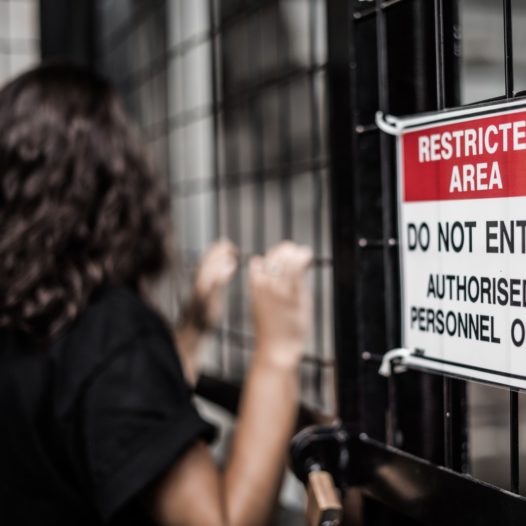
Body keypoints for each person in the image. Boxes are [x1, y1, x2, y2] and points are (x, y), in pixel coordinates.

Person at [0, 63, 312, 526]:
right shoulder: (109, 330)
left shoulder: (29, 318)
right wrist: (277, 354)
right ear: (110, 182)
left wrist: (192, 329)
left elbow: (104, 417)